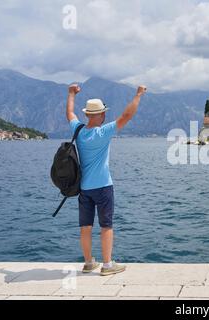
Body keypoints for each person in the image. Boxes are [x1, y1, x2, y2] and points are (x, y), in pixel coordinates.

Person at [66, 83, 147, 276]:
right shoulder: (103, 132)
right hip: (103, 187)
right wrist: (138, 95)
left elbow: (70, 114)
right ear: (101, 115)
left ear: (87, 115)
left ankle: (88, 263)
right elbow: (126, 116)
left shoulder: (78, 131)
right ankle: (108, 265)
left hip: (84, 188)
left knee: (85, 226)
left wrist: (71, 94)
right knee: (106, 226)